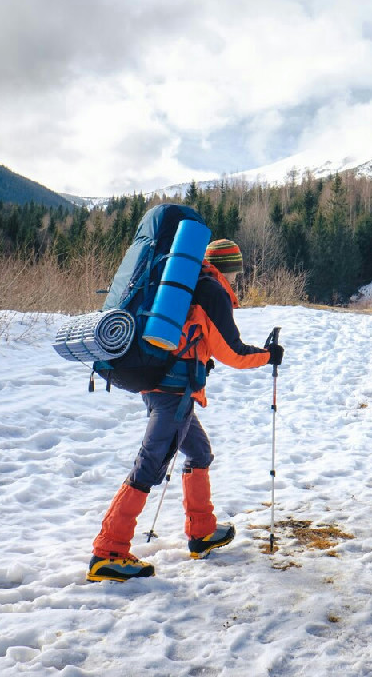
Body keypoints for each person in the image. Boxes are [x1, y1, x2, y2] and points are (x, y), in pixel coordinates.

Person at [87, 238, 284, 581]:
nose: (236, 280)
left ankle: (202, 531)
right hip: (173, 393)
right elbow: (232, 352)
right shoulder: (212, 292)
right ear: (230, 269)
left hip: (161, 386)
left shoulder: (187, 286)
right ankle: (108, 552)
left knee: (199, 452)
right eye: (236, 272)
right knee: (149, 466)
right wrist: (269, 355)